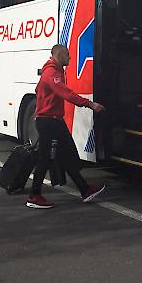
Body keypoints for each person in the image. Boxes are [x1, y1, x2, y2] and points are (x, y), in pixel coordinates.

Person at [26, 44, 106, 209]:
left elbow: (39, 89)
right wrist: (90, 104)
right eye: (67, 55)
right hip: (49, 121)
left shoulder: (53, 71)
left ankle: (85, 190)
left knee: (65, 155)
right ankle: (34, 195)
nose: (70, 58)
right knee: (46, 158)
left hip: (52, 120)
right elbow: (65, 93)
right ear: (59, 54)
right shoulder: (52, 73)